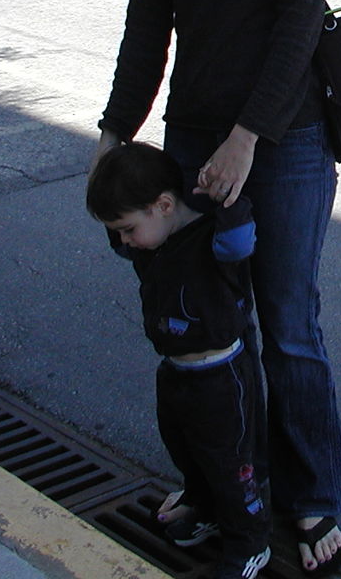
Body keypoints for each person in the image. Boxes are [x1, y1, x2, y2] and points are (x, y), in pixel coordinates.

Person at [95, 0, 341, 572]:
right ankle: (223, 486)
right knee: (212, 332)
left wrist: (247, 139)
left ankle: (310, 500)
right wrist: (114, 134)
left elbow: (296, 25)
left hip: (287, 141)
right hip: (194, 140)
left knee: (286, 324)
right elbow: (146, 28)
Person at [87, 143, 270, 579]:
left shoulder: (215, 240)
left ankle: (249, 540)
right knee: (186, 449)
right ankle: (205, 508)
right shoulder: (152, 244)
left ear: (165, 205)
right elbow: (129, 234)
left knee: (231, 462)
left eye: (127, 229)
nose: (124, 240)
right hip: (175, 372)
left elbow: (241, 237)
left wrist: (226, 197)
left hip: (220, 376)